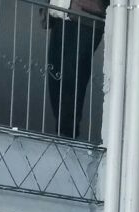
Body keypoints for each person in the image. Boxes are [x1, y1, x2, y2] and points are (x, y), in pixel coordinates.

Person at [46, 0, 108, 139]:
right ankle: (64, 134)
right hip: (62, 15)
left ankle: (67, 136)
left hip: (85, 17)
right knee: (56, 75)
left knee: (72, 78)